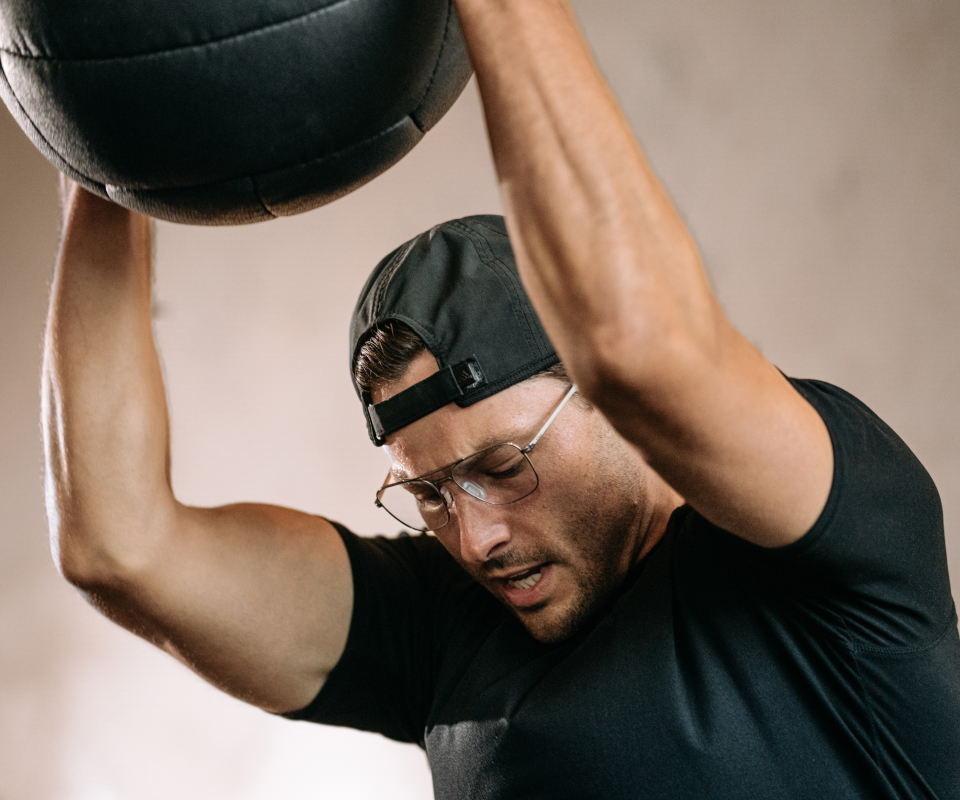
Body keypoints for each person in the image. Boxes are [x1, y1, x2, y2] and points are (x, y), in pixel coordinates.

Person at [43, 1, 959, 798]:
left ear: (610, 409)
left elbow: (641, 349)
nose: (476, 538)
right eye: (432, 493)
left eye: (503, 465)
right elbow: (116, 546)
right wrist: (105, 137)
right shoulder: (439, 629)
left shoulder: (822, 554)